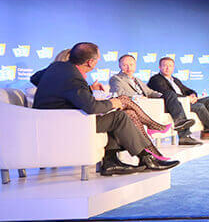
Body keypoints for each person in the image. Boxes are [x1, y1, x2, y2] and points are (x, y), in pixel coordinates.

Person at [30, 42, 178, 175]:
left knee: (116, 114)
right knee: (120, 117)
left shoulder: (57, 67)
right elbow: (91, 107)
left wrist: (82, 90)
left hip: (55, 119)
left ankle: (111, 162)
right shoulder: (74, 77)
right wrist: (113, 103)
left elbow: (36, 79)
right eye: (98, 59)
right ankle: (147, 159)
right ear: (90, 62)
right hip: (67, 123)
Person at [109, 53, 198, 138]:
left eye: (131, 64)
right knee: (171, 97)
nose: (129, 67)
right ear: (120, 66)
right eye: (125, 65)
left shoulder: (137, 79)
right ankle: (182, 130)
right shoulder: (116, 78)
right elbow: (120, 93)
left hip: (150, 103)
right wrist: (139, 97)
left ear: (135, 65)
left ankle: (181, 125)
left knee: (170, 95)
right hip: (138, 105)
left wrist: (162, 96)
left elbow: (150, 92)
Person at [148, 57, 209, 141]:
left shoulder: (175, 80)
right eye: (165, 65)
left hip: (186, 102)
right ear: (159, 67)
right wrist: (187, 98)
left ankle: (207, 132)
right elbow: (167, 93)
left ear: (173, 67)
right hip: (176, 105)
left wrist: (193, 95)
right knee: (199, 106)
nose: (167, 68)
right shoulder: (156, 79)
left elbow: (187, 90)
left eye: (170, 66)